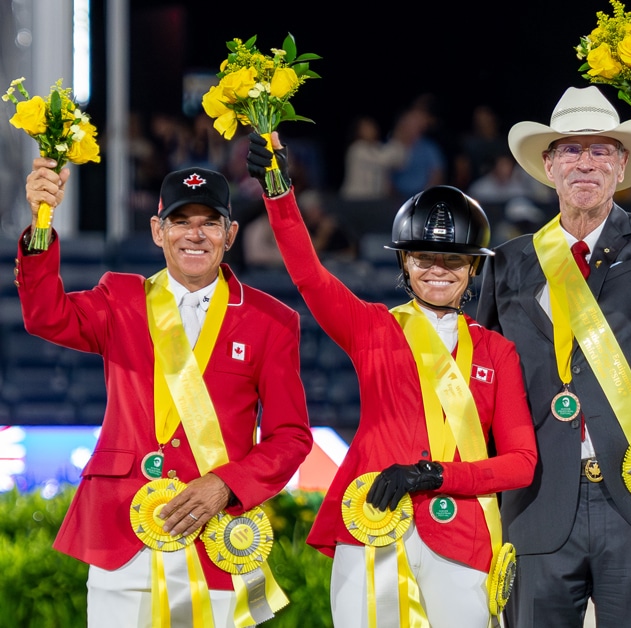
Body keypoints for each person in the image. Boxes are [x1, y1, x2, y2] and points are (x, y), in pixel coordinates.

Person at [247, 133, 537, 627]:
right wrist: (279, 191)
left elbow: (521, 463)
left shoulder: (497, 352)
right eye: (423, 257)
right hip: (371, 524)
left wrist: (437, 475)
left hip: (462, 533)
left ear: (473, 268)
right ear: (404, 261)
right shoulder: (372, 328)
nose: (437, 270)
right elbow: (310, 276)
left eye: (453, 260)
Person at [19, 158, 313, 626]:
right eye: (180, 222)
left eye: (209, 223)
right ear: (158, 231)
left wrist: (226, 485)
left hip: (217, 540)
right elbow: (45, 316)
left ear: (231, 234)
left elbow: (292, 436)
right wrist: (41, 220)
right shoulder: (119, 299)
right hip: (122, 537)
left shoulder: (272, 321)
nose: (194, 235)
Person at [476, 85, 631, 628]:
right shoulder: (509, 263)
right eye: (571, 149)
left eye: (600, 150)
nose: (585, 162)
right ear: (548, 164)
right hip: (538, 502)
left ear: (620, 166)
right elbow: (480, 379)